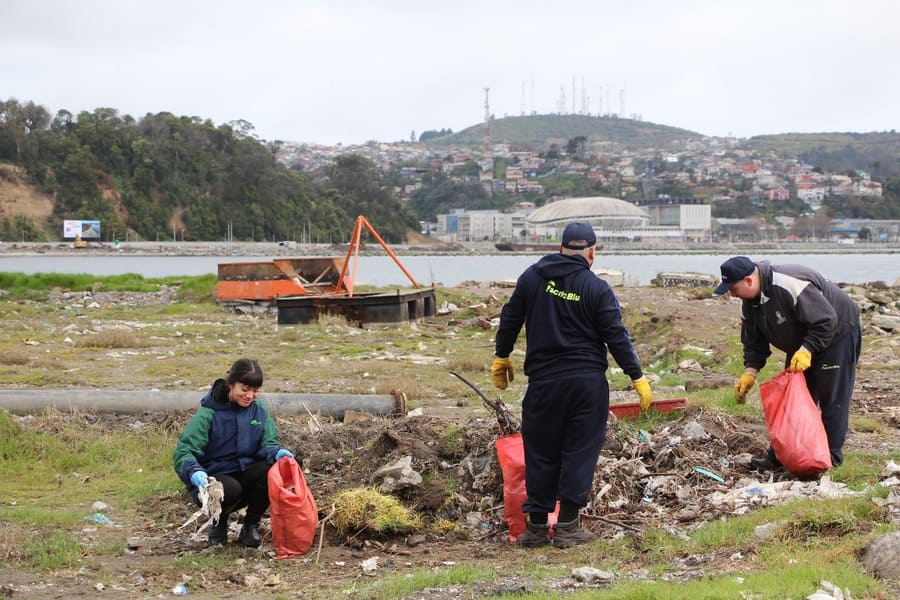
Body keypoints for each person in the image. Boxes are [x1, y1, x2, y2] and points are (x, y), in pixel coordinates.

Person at [491, 222, 652, 548]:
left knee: (540, 453)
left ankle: (535, 529)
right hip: (586, 385)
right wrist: (636, 376)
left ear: (561, 247)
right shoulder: (596, 288)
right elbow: (615, 336)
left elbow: (510, 318)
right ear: (592, 253)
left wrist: (502, 356)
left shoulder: (533, 278)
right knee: (579, 452)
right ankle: (567, 527)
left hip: (543, 384)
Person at [713, 256, 861, 470]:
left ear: (748, 280)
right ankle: (780, 457)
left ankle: (830, 459)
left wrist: (807, 349)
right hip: (802, 343)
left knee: (833, 399)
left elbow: (826, 320)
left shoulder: (788, 282)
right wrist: (750, 373)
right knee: (793, 398)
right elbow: (754, 343)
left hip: (838, 332)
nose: (732, 294)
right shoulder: (748, 305)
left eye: (733, 288)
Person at [173, 358, 295, 547]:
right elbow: (184, 451)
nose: (250, 395)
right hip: (214, 477)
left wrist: (276, 453)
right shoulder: (208, 414)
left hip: (244, 472)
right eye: (244, 389)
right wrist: (194, 471)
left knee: (272, 469)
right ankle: (218, 522)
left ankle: (250, 526)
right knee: (230, 488)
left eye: (255, 391)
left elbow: (268, 444)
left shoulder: (258, 411)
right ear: (231, 384)